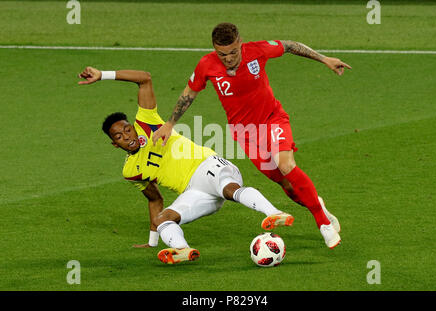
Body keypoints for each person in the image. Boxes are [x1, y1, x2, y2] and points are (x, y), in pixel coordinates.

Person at [152, 23, 350, 249]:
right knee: (285, 182)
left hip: (272, 119)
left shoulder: (258, 50)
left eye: (233, 52)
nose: (227, 58)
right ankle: (317, 205)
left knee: (285, 164)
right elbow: (189, 93)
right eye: (222, 54)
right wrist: (170, 123)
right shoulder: (207, 65)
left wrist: (324, 59)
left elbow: (290, 46)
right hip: (246, 135)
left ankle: (322, 222)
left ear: (240, 43)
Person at [78, 66, 294, 264]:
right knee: (163, 220)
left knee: (229, 189)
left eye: (127, 129)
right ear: (114, 144)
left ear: (133, 126)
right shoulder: (130, 171)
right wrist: (153, 241)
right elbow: (155, 199)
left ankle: (274, 213)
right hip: (195, 191)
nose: (126, 136)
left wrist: (103, 75)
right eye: (119, 136)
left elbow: (144, 79)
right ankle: (182, 249)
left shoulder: (147, 122)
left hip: (209, 166)